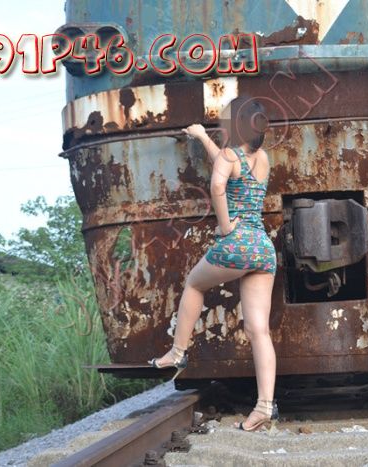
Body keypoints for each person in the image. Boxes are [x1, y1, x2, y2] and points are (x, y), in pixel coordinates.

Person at [148, 96, 278, 431]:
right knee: (258, 330)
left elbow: (218, 183)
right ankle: (265, 406)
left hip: (237, 245)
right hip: (263, 248)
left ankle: (178, 352)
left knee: (194, 284)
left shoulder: (229, 156)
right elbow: (225, 162)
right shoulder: (262, 158)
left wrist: (225, 226)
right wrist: (203, 137)